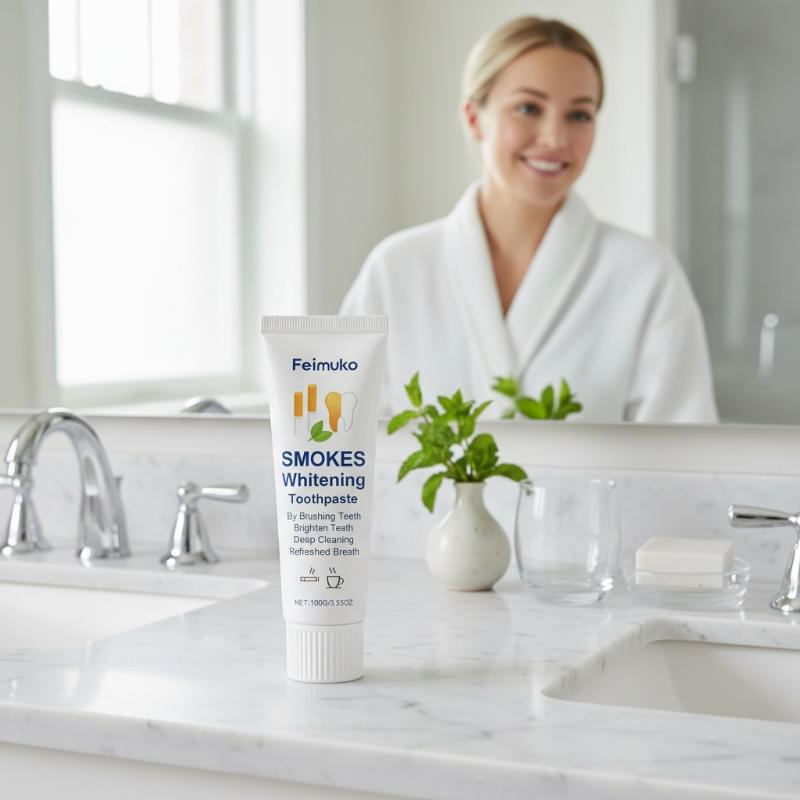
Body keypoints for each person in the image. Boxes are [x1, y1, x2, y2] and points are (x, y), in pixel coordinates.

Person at [340, 17, 718, 423]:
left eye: (579, 115)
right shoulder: (396, 270)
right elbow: (341, 437)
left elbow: (684, 453)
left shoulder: (647, 276)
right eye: (528, 108)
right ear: (473, 118)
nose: (555, 138)